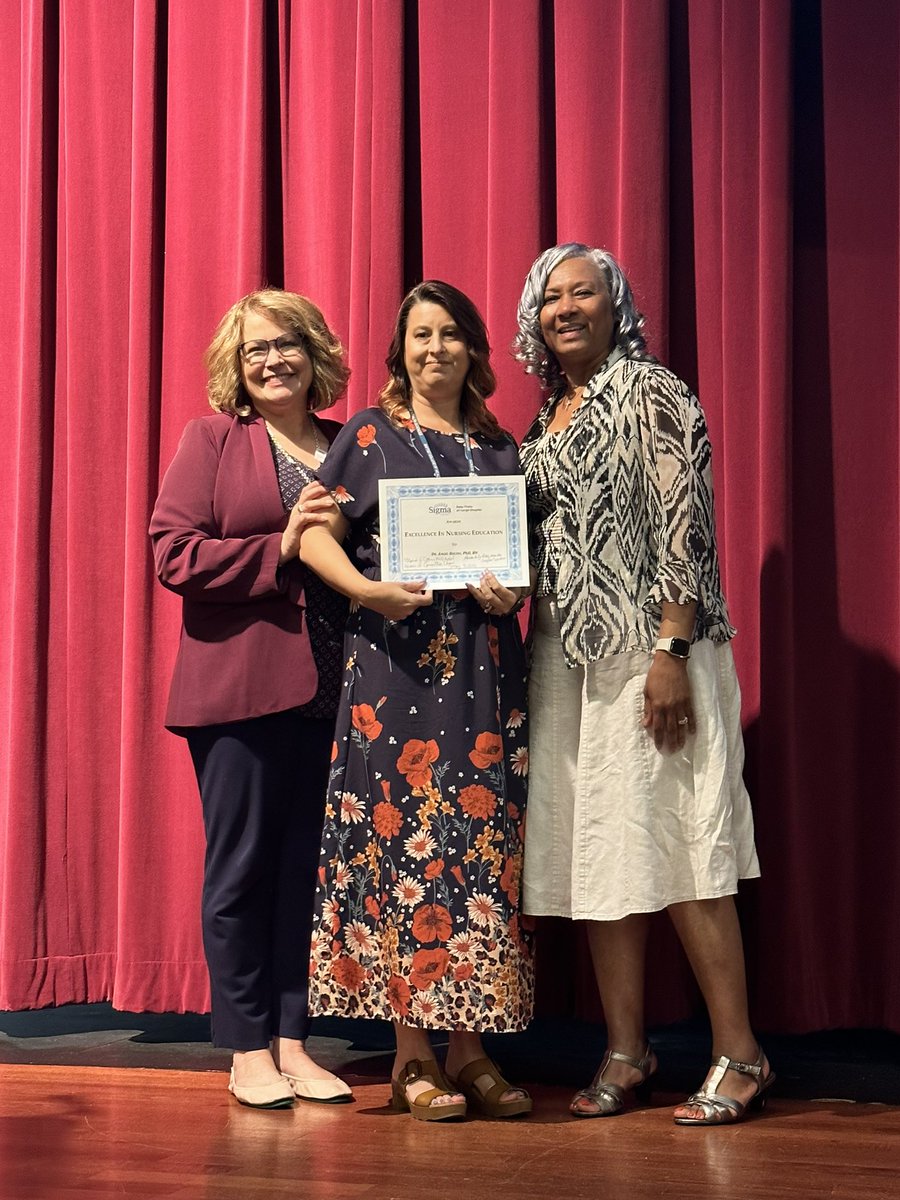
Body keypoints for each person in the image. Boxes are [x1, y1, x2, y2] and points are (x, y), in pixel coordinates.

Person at [513, 243, 773, 1126]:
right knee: (600, 857)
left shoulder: (653, 392)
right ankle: (628, 1052)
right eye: (551, 297)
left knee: (686, 847)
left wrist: (672, 648)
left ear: (616, 304)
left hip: (651, 655)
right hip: (565, 662)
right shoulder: (546, 415)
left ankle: (742, 1054)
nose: (566, 308)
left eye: (583, 292)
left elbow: (685, 526)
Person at [298, 281, 534, 1122]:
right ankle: (410, 1056)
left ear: (475, 349)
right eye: (420, 335)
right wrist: (367, 591)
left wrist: (509, 593)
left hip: (485, 675)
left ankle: (471, 1050)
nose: (435, 349)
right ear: (401, 350)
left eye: (450, 334)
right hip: (394, 677)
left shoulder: (500, 447)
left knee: (478, 852)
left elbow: (518, 565)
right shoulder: (369, 434)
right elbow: (314, 534)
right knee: (404, 848)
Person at [149, 288, 354, 1109]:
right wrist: (282, 548)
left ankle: (293, 1041)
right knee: (242, 871)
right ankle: (245, 1048)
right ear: (237, 367)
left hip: (338, 695)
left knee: (307, 873)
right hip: (238, 696)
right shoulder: (212, 440)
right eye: (255, 349)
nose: (272, 361)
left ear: (314, 354)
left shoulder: (349, 445)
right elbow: (174, 553)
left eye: (286, 344)